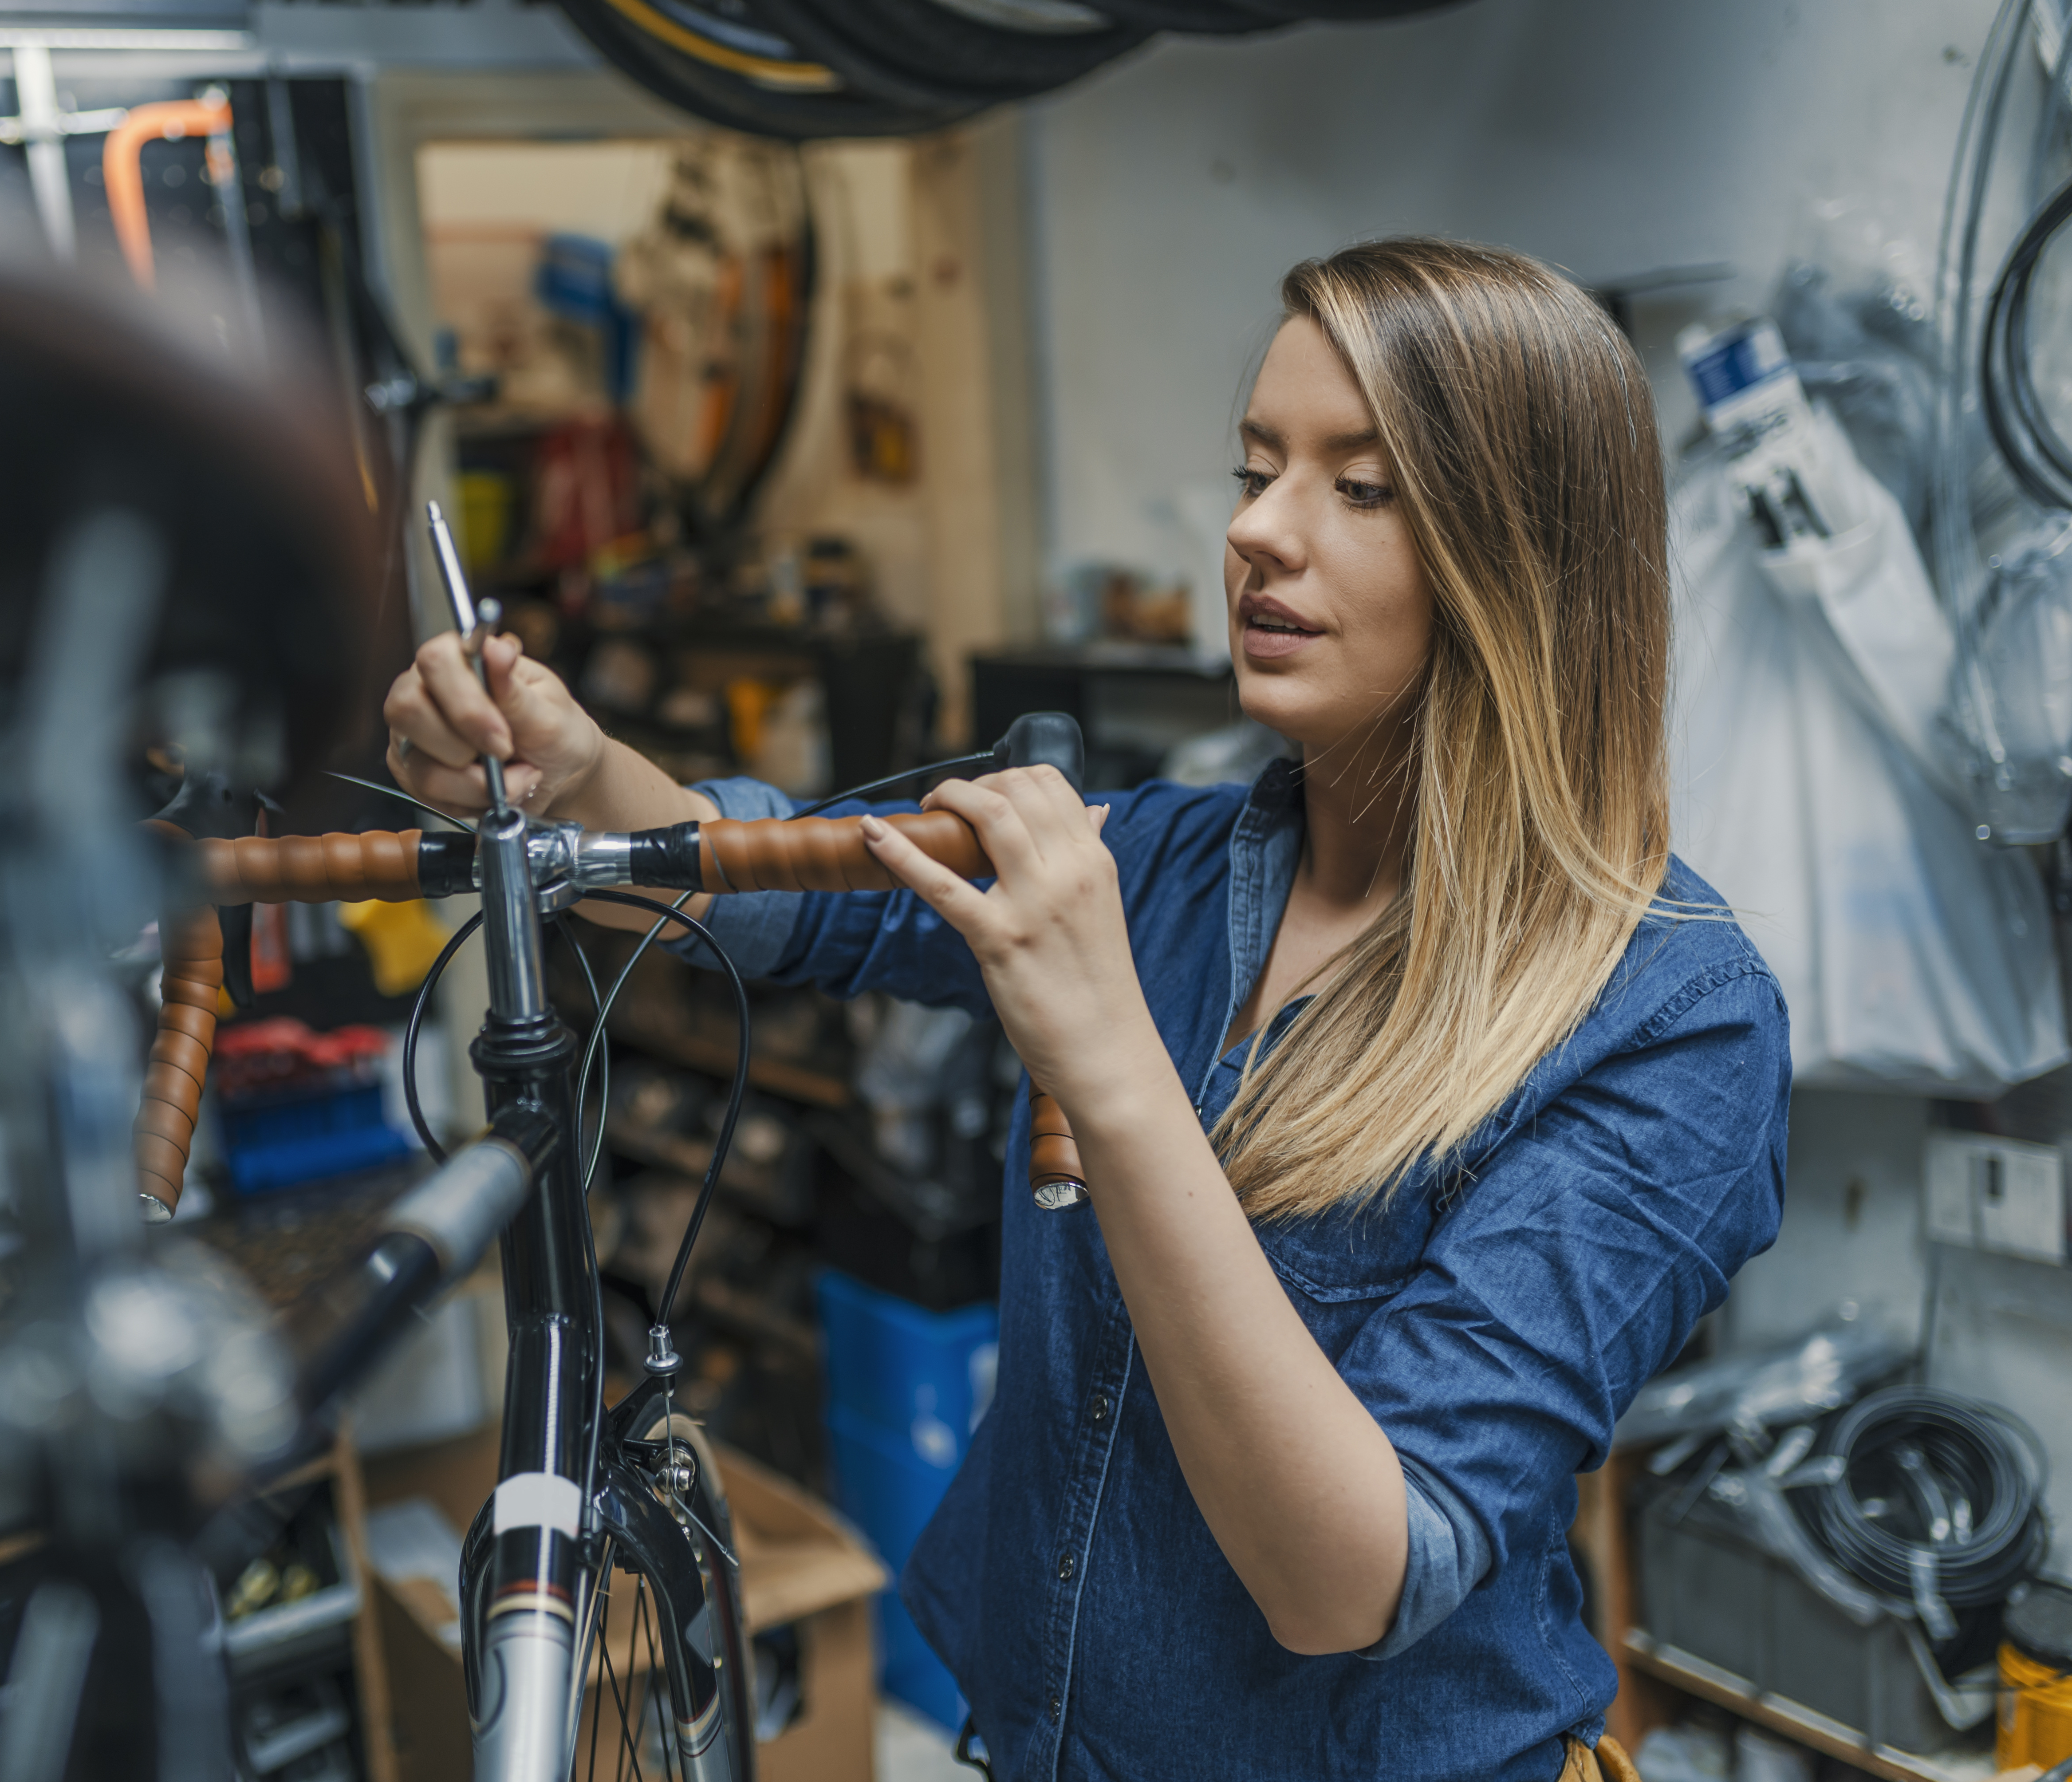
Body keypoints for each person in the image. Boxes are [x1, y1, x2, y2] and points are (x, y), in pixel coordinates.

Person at [382, 237, 1786, 1782]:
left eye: (1358, 488)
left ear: (1530, 560)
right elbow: (799, 898)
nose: (1256, 531)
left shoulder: (1672, 1016)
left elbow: (1352, 1577)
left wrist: (1106, 1056)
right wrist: (575, 773)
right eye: (1256, 469)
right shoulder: (1178, 858)